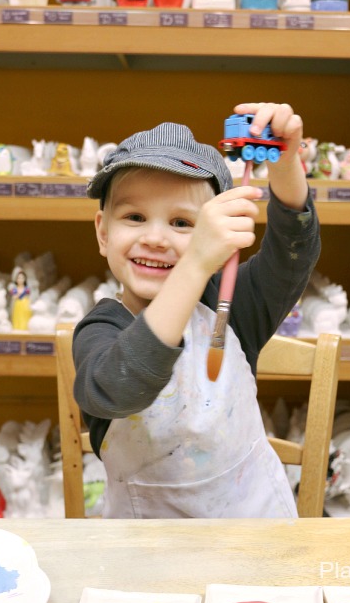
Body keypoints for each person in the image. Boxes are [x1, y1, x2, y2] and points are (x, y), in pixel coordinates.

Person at [73, 101, 320, 518]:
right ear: (103, 231)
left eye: (183, 224)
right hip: (148, 552)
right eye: (134, 216)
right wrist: (193, 263)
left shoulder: (231, 307)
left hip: (253, 539)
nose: (155, 238)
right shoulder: (101, 331)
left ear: (219, 234)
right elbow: (119, 387)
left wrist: (283, 162)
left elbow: (292, 256)